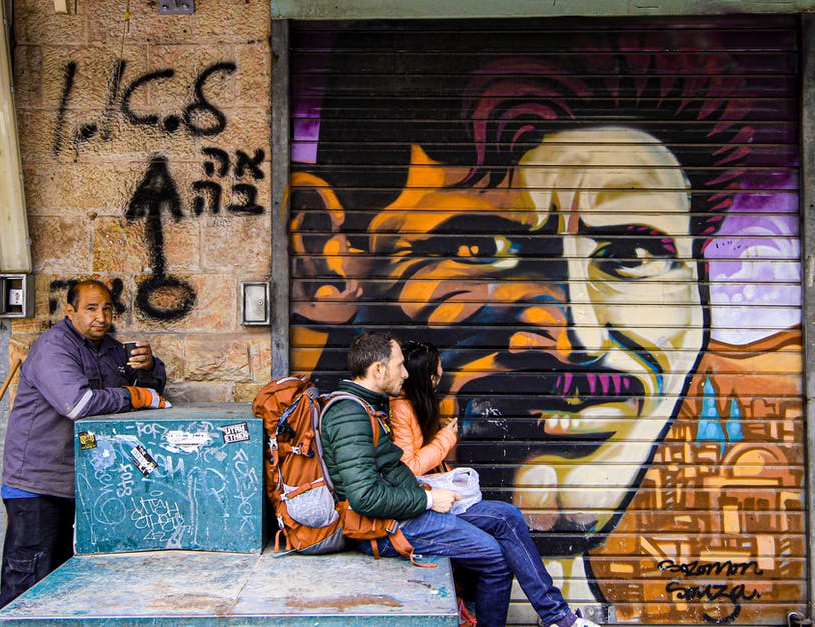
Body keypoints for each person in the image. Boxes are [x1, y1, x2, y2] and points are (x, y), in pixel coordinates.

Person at [288, 29, 763, 606]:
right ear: (320, 258)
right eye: (479, 249)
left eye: (632, 256)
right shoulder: (360, 411)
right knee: (491, 549)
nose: (578, 338)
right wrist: (434, 482)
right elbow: (370, 491)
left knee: (501, 527)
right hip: (400, 529)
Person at [318, 331, 598, 627]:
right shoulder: (349, 415)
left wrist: (428, 491)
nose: (405, 373)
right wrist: (428, 498)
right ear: (378, 369)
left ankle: (558, 617)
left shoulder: (369, 408)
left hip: (408, 510)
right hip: (386, 528)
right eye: (400, 365)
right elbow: (365, 498)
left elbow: (394, 470)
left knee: (507, 516)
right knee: (495, 557)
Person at [0, 279, 170, 611]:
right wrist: (134, 396)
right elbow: (76, 405)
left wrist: (149, 369)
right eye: (91, 309)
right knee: (27, 588)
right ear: (71, 311)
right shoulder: (54, 348)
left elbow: (147, 387)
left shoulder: (109, 350)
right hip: (38, 488)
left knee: (64, 589)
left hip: (82, 487)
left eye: (107, 308)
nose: (101, 317)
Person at [389, 340, 455, 476]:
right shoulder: (399, 409)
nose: (442, 371)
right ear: (431, 377)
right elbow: (409, 468)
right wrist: (446, 437)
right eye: (439, 365)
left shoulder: (418, 403)